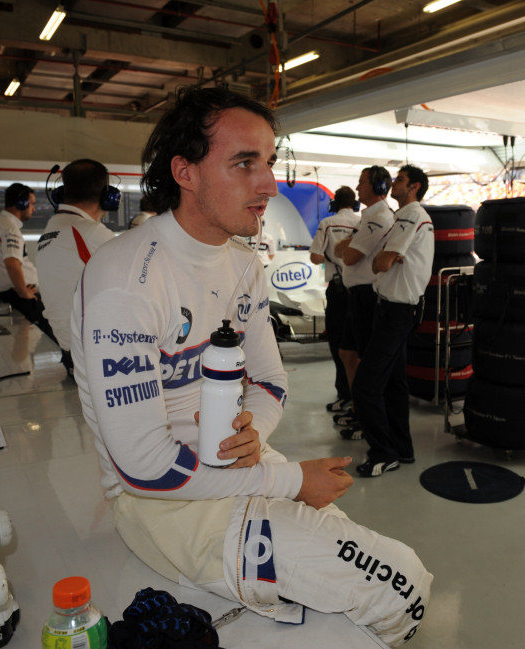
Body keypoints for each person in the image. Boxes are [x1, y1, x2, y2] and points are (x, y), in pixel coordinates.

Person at [71, 86, 431, 646]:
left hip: (241, 468)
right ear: (184, 172)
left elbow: (268, 381)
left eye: (268, 162)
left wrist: (250, 436)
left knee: (382, 580)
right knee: (402, 585)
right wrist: (288, 478)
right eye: (244, 163)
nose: (267, 183)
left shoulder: (243, 265)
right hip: (164, 507)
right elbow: (144, 467)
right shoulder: (125, 277)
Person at [351, 165, 433, 476]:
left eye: (399, 179)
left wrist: (384, 257)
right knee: (395, 384)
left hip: (397, 312)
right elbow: (382, 261)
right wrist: (384, 258)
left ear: (414, 187)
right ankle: (402, 448)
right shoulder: (405, 217)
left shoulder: (412, 214)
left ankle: (383, 452)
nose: (392, 183)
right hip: (393, 309)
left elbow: (380, 262)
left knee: (366, 386)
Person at [36, 159, 117, 377]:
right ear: (108, 196)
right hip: (95, 357)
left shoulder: (50, 230)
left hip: (71, 350)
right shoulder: (93, 234)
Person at [332, 166, 395, 439]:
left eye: (362, 182)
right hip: (355, 295)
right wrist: (350, 244)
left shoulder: (379, 217)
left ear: (379, 186)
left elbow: (349, 256)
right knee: (347, 353)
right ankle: (359, 409)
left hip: (367, 294)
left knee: (363, 358)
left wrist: (350, 245)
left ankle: (366, 417)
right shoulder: (366, 217)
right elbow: (339, 248)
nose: (358, 188)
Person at [0, 183, 59, 346]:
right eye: (31, 203)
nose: (33, 208)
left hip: (8, 294)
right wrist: (23, 291)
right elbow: (12, 263)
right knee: (48, 339)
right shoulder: (10, 229)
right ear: (21, 203)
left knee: (20, 342)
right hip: (21, 297)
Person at [309, 186, 360, 413]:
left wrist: (332, 257)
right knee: (356, 345)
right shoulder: (362, 223)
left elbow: (315, 256)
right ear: (354, 203)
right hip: (359, 290)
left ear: (334, 204)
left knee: (339, 344)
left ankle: (344, 393)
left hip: (338, 291)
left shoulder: (327, 224)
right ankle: (357, 395)